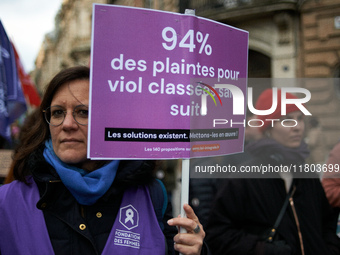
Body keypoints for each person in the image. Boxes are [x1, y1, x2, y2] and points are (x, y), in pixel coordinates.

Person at [0, 66, 208, 255]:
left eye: (83, 112)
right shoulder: (7, 201)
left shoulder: (152, 195)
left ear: (113, 121)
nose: (68, 124)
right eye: (57, 113)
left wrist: (195, 251)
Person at [205, 88, 340, 255]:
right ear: (268, 128)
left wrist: (330, 249)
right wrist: (265, 250)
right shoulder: (244, 178)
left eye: (300, 119)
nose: (297, 127)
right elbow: (218, 234)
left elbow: (326, 223)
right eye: (287, 120)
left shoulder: (307, 174)